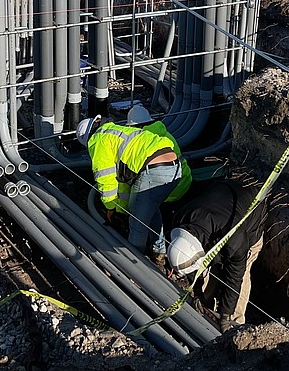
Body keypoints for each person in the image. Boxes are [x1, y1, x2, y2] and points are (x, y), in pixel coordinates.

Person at [166, 179, 266, 333]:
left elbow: (235, 277)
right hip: (220, 203)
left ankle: (235, 323)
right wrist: (197, 292)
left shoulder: (235, 241)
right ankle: (207, 309)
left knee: (243, 272)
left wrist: (226, 314)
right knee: (205, 270)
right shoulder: (181, 222)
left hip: (251, 218)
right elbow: (192, 266)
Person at [76, 114, 182, 257]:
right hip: (174, 168)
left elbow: (106, 180)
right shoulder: (117, 131)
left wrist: (110, 208)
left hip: (153, 170)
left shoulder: (98, 140)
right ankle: (159, 251)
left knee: (137, 221)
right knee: (150, 209)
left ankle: (134, 264)